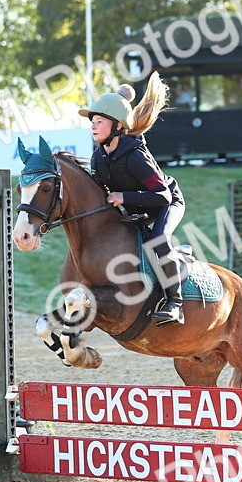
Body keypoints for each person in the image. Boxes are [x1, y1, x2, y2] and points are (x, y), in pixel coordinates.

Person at [80, 73, 187, 326]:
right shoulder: (98, 158)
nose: (93, 126)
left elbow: (161, 195)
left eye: (99, 122)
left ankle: (175, 303)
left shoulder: (136, 156)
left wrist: (123, 196)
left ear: (117, 125)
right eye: (92, 122)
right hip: (137, 208)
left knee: (159, 241)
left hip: (166, 202)